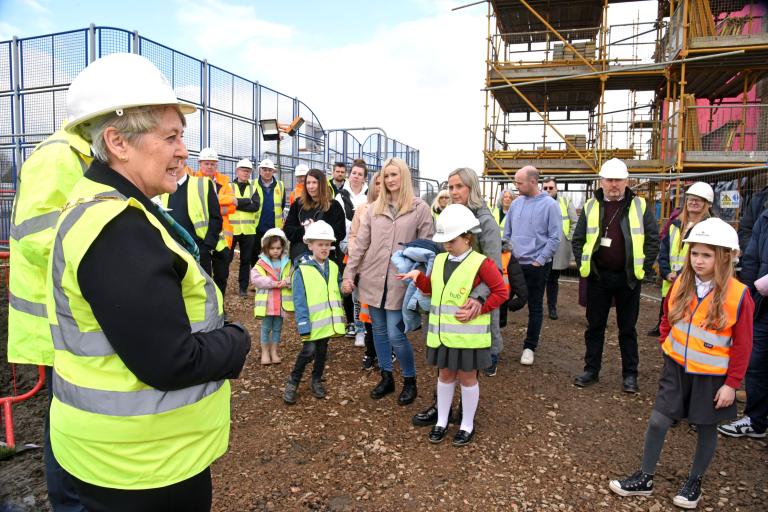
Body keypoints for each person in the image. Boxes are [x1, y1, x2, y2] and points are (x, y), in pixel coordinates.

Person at [47, 52, 251, 511]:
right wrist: (236, 341)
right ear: (118, 142)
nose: (183, 151)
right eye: (172, 136)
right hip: (140, 466)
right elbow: (169, 361)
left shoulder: (111, 206)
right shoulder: (117, 227)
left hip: (129, 456)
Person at [608, 218, 752, 510]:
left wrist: (731, 384)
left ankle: (694, 481)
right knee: (658, 420)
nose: (698, 261)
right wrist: (666, 343)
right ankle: (645, 477)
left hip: (712, 376)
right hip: (676, 367)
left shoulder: (739, 295)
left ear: (724, 257)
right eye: (695, 253)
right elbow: (666, 318)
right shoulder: (681, 284)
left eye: (707, 255)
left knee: (706, 427)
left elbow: (743, 344)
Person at [8, 127, 92, 510]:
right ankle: (71, 504)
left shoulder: (81, 154)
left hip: (67, 316)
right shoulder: (59, 156)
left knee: (74, 415)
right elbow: (38, 237)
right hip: (53, 320)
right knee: (65, 419)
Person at [398, 204, 508, 446]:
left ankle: (467, 423)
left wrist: (482, 305)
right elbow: (434, 290)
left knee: (468, 379)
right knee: (445, 376)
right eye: (445, 240)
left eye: (452, 239)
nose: (447, 244)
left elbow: (501, 291)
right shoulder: (438, 261)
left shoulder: (482, 263)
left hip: (468, 337)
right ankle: (442, 421)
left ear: (468, 237)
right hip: (442, 335)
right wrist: (419, 280)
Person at [411, 167, 503, 428]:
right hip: (448, 308)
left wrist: (477, 298)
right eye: (450, 187)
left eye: (459, 186)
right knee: (445, 362)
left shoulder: (485, 222)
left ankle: (464, 413)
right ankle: (442, 408)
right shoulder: (449, 215)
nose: (453, 192)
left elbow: (494, 269)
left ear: (471, 188)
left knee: (468, 365)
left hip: (473, 306)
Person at [342, 157, 434, 404]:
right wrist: (349, 274)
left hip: (399, 281)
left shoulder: (419, 208)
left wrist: (421, 277)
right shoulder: (373, 209)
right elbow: (360, 244)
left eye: (395, 175)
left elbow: (428, 247)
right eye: (387, 175)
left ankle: (409, 379)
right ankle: (386, 376)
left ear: (404, 177)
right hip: (373, 278)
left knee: (396, 334)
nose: (391, 180)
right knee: (379, 331)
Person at [572, 158, 659, 393]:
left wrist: (643, 269)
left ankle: (630, 375)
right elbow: (578, 239)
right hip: (599, 278)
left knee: (628, 329)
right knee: (595, 327)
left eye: (618, 180)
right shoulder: (592, 206)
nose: (613, 185)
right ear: (601, 182)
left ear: (626, 181)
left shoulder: (639, 206)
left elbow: (652, 240)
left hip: (628, 278)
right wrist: (585, 266)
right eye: (609, 180)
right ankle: (591, 370)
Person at [503, 166, 562, 366]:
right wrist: (506, 256)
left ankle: (529, 347)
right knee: (501, 298)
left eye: (519, 183)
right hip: (514, 264)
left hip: (537, 265)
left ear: (533, 182)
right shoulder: (516, 204)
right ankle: (494, 340)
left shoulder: (550, 205)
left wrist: (540, 259)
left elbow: (555, 237)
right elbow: (507, 233)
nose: (515, 186)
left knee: (535, 306)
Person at [718, 205, 768, 439]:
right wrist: (750, 294)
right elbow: (752, 257)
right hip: (762, 300)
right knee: (756, 360)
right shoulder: (764, 217)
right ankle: (756, 420)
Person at [283, 220, 346, 404]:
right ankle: (293, 381)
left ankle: (316, 380)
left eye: (327, 244)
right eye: (320, 244)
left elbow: (338, 285)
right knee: (308, 351)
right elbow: (299, 300)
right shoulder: (302, 270)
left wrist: (345, 287)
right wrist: (303, 325)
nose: (325, 248)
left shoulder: (333, 267)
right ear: (310, 245)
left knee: (322, 351)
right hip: (311, 322)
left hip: (327, 321)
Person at [648, 182, 713, 336]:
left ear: (707, 204)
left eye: (699, 200)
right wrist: (666, 272)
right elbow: (664, 252)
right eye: (691, 199)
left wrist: (681, 275)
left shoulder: (708, 228)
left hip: (692, 280)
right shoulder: (675, 225)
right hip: (671, 280)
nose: (693, 202)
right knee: (667, 310)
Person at [160, 163, 223, 278]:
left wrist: (207, 246)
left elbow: (216, 217)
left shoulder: (202, 184)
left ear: (184, 162)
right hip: (172, 248)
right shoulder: (162, 187)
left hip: (199, 248)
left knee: (203, 287)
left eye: (176, 160)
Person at [348, 172, 381, 363]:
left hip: (384, 268)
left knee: (384, 309)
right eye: (376, 183)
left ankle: (386, 349)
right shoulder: (362, 208)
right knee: (363, 305)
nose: (379, 186)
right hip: (364, 265)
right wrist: (356, 252)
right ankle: (369, 347)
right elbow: (353, 235)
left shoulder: (395, 208)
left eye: (381, 183)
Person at [196, 147, 236, 296]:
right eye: (206, 163)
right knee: (202, 275)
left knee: (221, 275)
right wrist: (223, 202)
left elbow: (232, 207)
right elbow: (196, 205)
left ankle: (220, 308)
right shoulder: (194, 180)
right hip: (202, 235)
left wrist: (210, 206)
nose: (209, 166)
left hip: (223, 238)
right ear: (200, 164)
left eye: (213, 164)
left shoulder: (224, 181)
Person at [283, 168, 346, 262]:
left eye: (314, 182)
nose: (310, 186)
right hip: (302, 257)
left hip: (327, 258)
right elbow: (288, 230)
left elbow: (340, 233)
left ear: (321, 184)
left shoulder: (334, 206)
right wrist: (304, 229)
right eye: (308, 183)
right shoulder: (298, 204)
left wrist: (318, 230)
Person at [250, 228, 293, 365]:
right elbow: (256, 279)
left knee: (277, 328)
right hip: (268, 302)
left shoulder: (287, 262)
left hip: (280, 303)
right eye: (272, 248)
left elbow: (294, 276)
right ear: (266, 248)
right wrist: (274, 283)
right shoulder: (261, 263)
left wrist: (287, 281)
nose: (275, 251)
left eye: (278, 248)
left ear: (283, 247)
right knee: (266, 327)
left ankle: (274, 351)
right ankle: (264, 352)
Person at [338, 159, 369, 338]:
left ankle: (364, 325)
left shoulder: (368, 196)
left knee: (363, 286)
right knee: (348, 282)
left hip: (364, 245)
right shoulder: (341, 196)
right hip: (345, 244)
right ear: (349, 175)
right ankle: (351, 322)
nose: (356, 176)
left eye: (360, 174)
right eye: (354, 173)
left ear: (364, 178)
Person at [542, 177, 577, 320]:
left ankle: (552, 307)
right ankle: (536, 306)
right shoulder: (538, 202)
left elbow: (574, 222)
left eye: (551, 188)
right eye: (545, 188)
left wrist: (567, 238)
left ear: (556, 189)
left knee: (552, 279)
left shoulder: (565, 201)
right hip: (541, 247)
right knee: (538, 279)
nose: (548, 191)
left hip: (558, 247)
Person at [229, 158, 262, 296]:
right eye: (243, 170)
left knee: (245, 260)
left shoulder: (253, 187)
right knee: (227, 259)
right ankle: (222, 284)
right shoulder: (229, 186)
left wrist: (237, 202)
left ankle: (243, 288)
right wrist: (246, 202)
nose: (245, 173)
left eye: (248, 171)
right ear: (237, 171)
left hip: (248, 231)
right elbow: (228, 203)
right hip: (231, 230)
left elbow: (255, 206)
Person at [252, 158, 286, 267]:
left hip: (274, 227)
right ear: (260, 171)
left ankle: (272, 276)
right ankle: (257, 276)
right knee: (256, 254)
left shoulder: (280, 185)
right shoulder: (252, 184)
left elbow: (282, 204)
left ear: (273, 171)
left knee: (273, 254)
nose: (267, 172)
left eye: (269, 170)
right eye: (264, 169)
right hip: (257, 226)